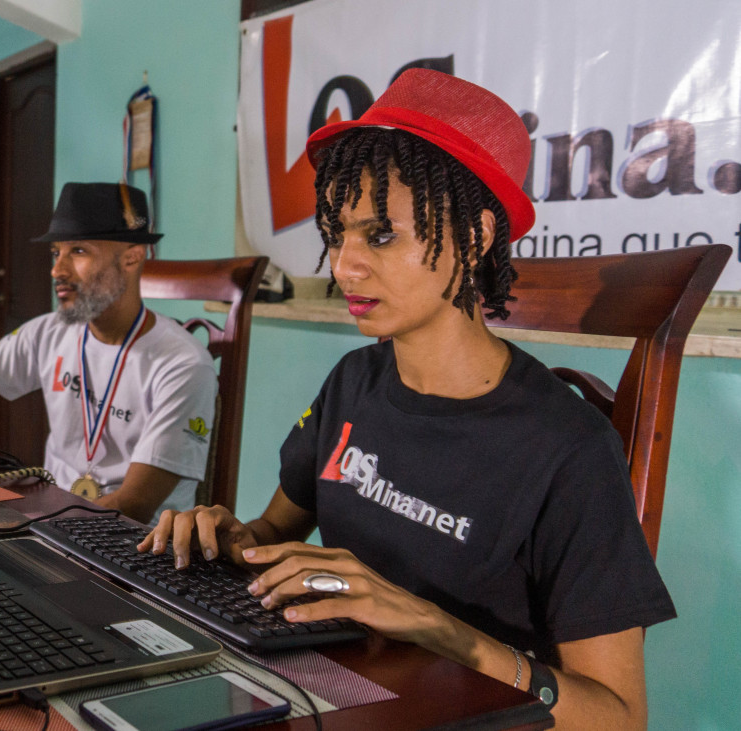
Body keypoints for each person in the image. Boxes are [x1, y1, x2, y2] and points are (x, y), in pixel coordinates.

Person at [140, 69, 675, 729]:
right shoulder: (353, 382)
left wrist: (437, 628)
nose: (344, 265)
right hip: (331, 699)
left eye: (381, 234)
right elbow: (275, 532)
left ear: (475, 235)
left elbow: (620, 717)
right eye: (337, 233)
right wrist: (229, 540)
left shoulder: (569, 450)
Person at [0, 182, 217, 524]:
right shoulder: (48, 332)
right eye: (57, 253)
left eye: (79, 251)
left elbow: (134, 504)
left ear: (132, 256)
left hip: (132, 541)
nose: (58, 270)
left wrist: (30, 527)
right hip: (53, 518)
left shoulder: (183, 365)